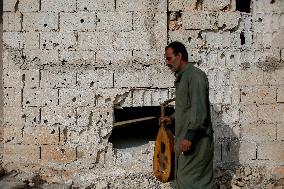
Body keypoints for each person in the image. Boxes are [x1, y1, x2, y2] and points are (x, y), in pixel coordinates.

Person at [160, 41, 214, 189]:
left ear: (179, 55)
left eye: (169, 58)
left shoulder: (195, 76)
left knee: (191, 181)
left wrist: (189, 137)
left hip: (197, 141)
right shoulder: (183, 77)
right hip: (186, 139)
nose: (167, 63)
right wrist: (171, 118)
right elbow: (186, 108)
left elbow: (199, 110)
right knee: (184, 179)